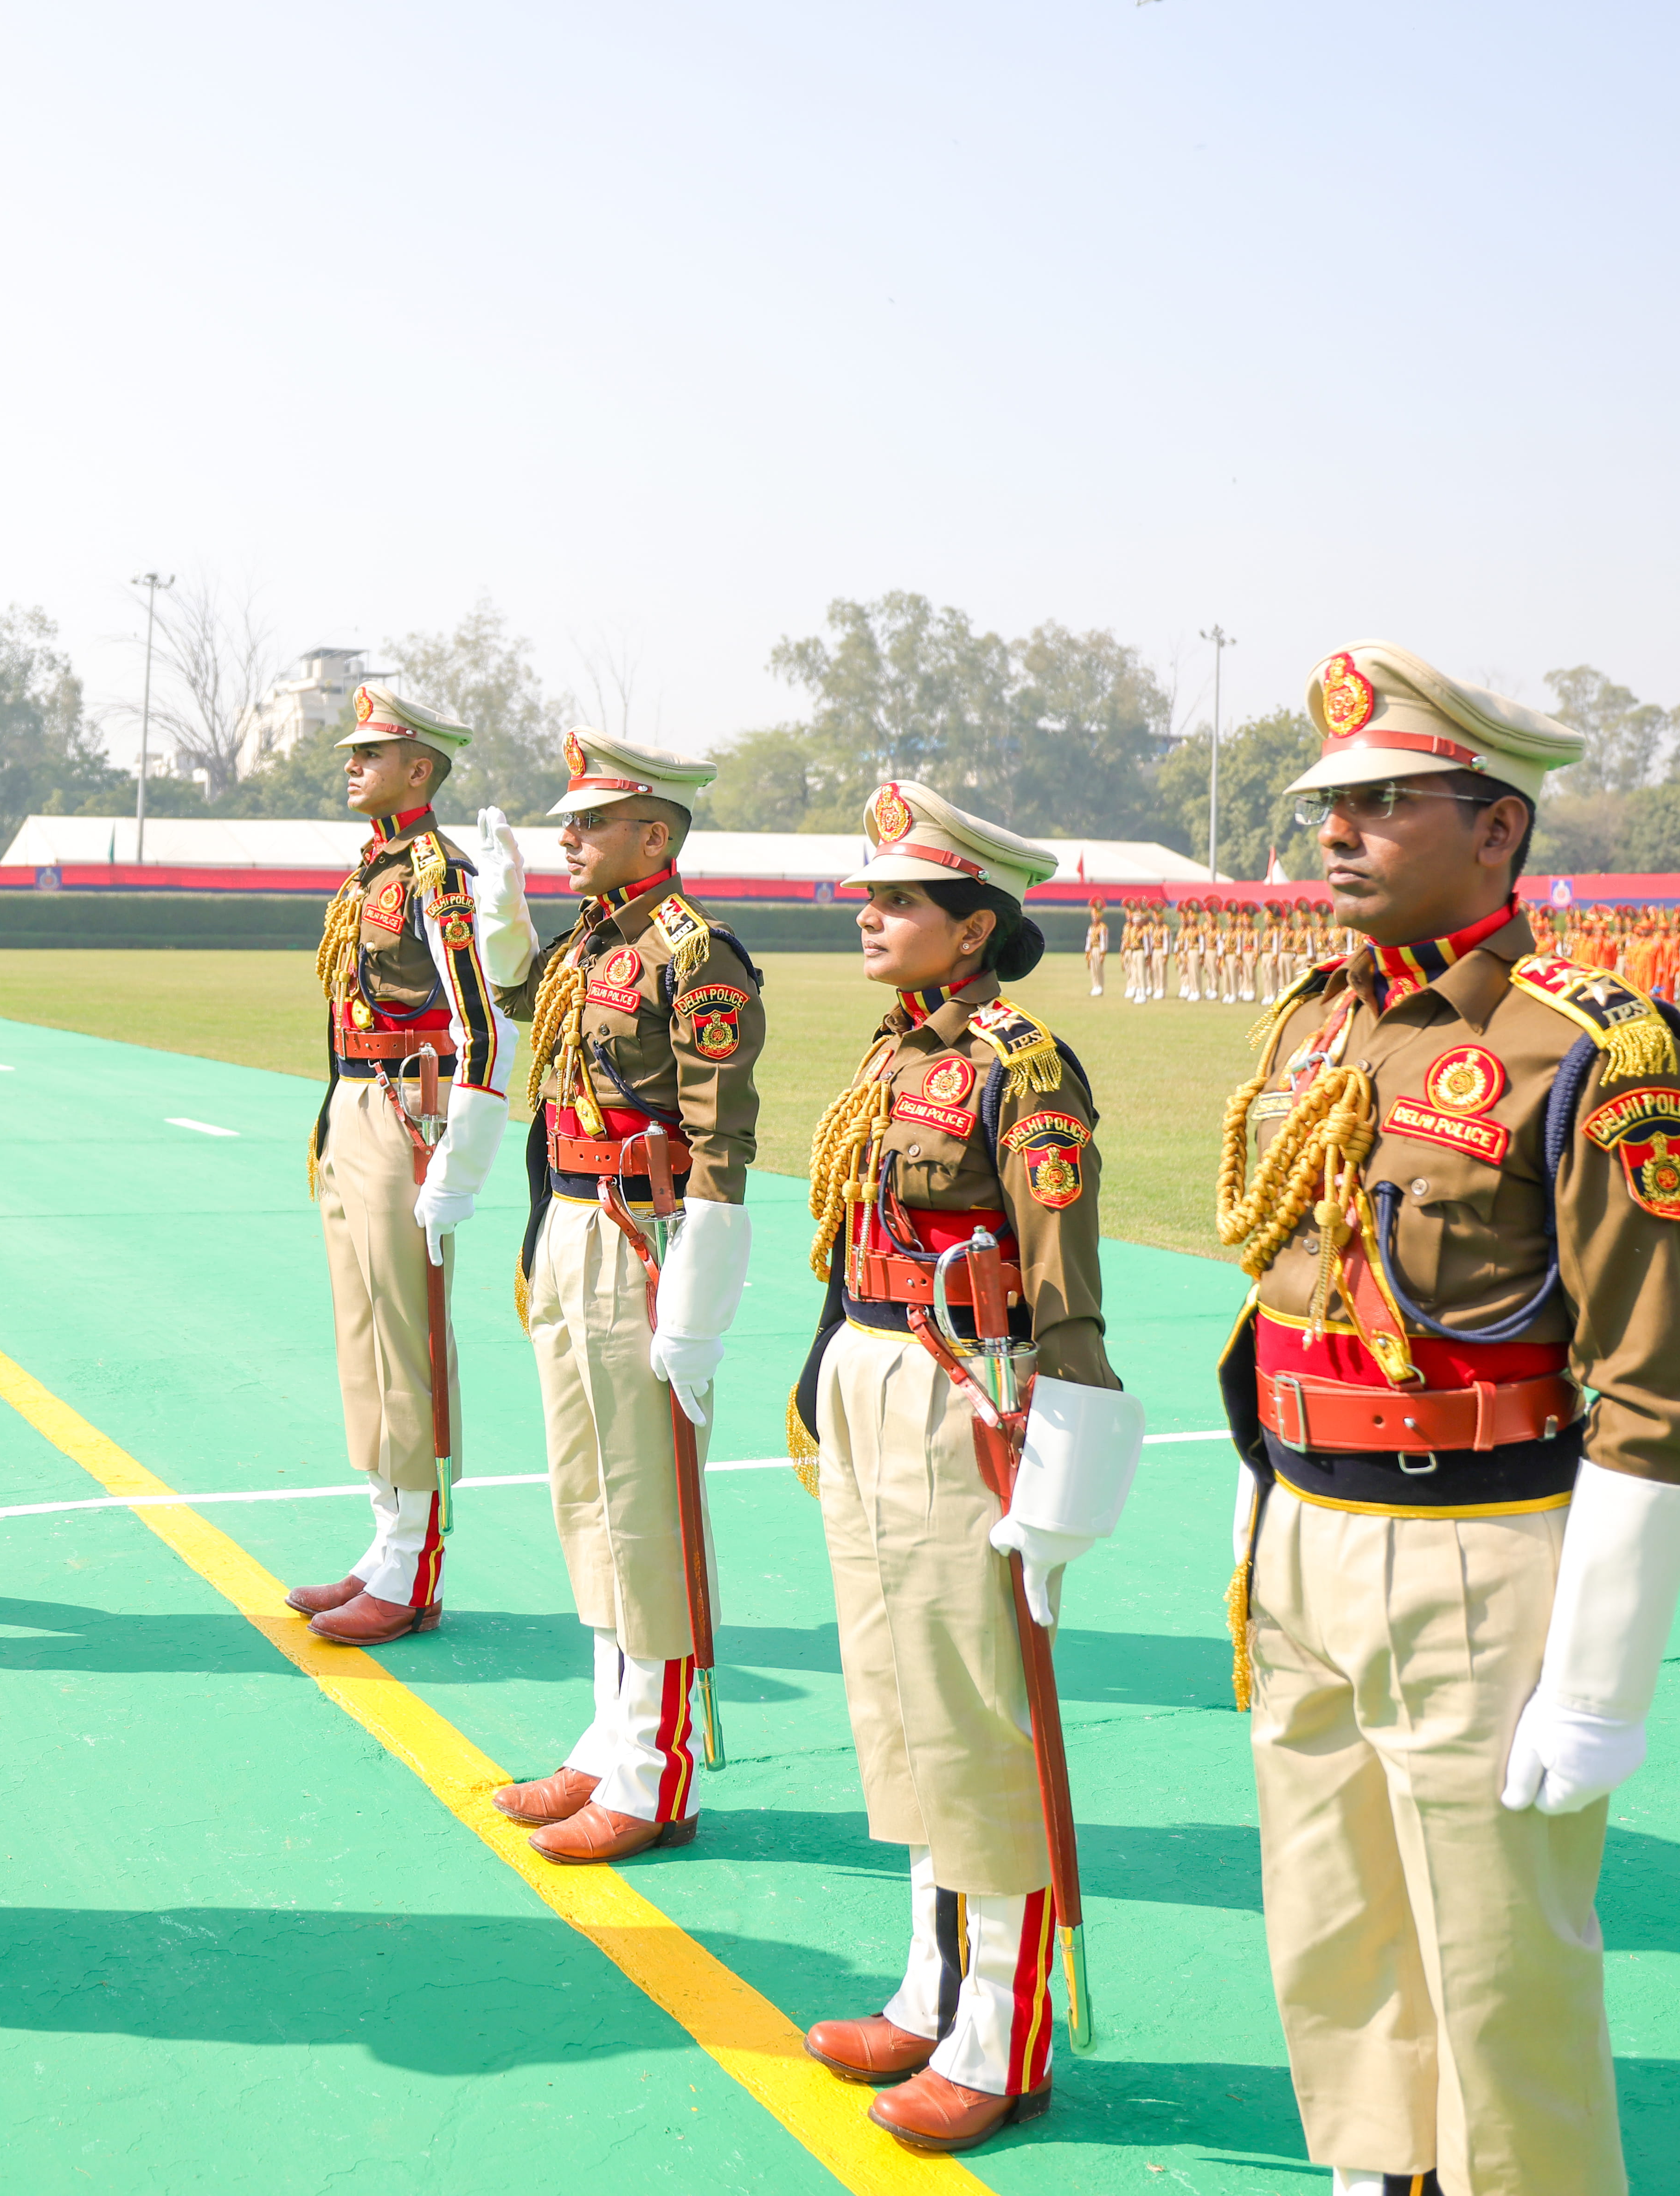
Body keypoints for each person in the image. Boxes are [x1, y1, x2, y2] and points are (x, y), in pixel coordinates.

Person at [1217, 643, 1680, 2195]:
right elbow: (1287, 1287)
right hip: (1305, 1527)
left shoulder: (1590, 1048)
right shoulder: (1321, 1020)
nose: (1338, 837)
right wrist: (1261, 1512)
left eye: (1383, 805)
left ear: (1498, 827)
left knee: (1501, 1972)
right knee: (1334, 1921)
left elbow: (1650, 1387)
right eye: (1326, 810)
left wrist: (1603, 1680)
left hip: (1478, 1548)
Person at [785, 781, 1144, 2154]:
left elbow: (1066, 1289)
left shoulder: (1023, 1067)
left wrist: (1066, 1459)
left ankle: (1006, 2031)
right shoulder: (892, 1057)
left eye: (901, 900)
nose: (869, 916)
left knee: (984, 1712)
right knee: (902, 1688)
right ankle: (934, 1988)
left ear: (973, 925)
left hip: (969, 1399)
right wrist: (820, 1371)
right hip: (877, 1377)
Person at [482, 731, 762, 1865]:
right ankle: (609, 1735)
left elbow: (720, 1136)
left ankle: (658, 1768)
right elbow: (516, 1005)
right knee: (587, 1493)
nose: (567, 836)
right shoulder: (590, 942)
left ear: (654, 832)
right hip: (569, 1224)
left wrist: (696, 1302)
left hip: (643, 1241)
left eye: (588, 822)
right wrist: (501, 918)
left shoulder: (696, 954)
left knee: (647, 1508)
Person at [286, 686, 514, 1646]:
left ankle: (418, 1562)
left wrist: (459, 1151)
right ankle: (386, 1539)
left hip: (405, 1112)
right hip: (353, 1101)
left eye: (369, 753)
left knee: (408, 1339)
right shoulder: (375, 864)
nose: (351, 765)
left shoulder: (436, 871)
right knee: (363, 1330)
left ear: (419, 769)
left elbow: (484, 1021)